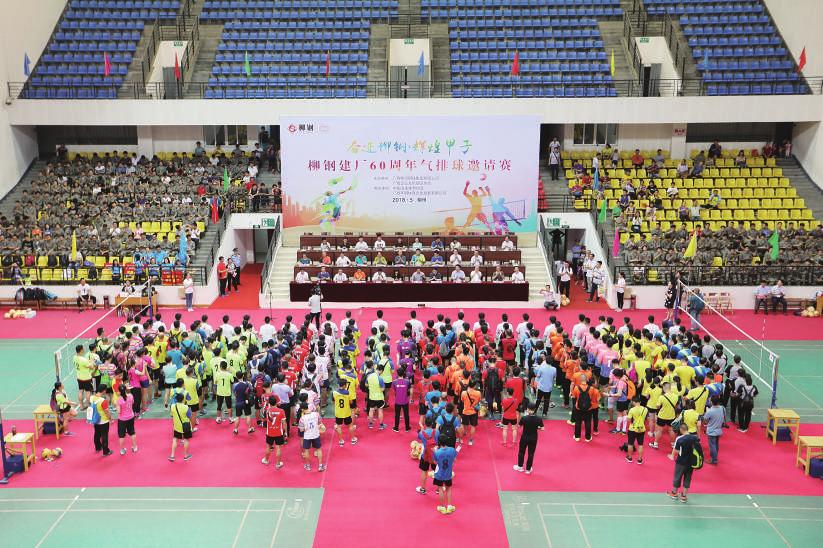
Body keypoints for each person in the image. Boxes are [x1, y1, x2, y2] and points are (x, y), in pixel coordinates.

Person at [668, 423, 701, 503]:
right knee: (687, 478)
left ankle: (674, 493)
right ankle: (684, 496)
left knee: (677, 477)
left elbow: (676, 451)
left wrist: (671, 456)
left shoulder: (680, 439)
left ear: (681, 430)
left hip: (681, 462)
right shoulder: (694, 438)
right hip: (691, 462)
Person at [514, 402, 544, 474]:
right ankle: (528, 469)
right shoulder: (538, 419)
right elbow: (542, 428)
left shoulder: (524, 418)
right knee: (531, 454)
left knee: (521, 452)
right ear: (535, 409)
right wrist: (537, 427)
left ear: (527, 409)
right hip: (533, 438)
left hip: (524, 437)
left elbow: (519, 426)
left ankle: (520, 467)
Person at [298, 402, 325, 471]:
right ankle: (320, 466)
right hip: (316, 434)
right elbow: (320, 422)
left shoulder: (302, 418)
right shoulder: (316, 414)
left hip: (307, 436)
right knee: (319, 449)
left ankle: (308, 466)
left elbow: (301, 430)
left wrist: (306, 428)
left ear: (302, 409)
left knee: (306, 450)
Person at [433, 439, 458, 514]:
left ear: (439, 443)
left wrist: (435, 451)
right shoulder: (452, 450)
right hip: (448, 474)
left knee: (440, 489)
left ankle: (442, 507)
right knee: (449, 489)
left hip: (439, 474)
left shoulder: (437, 452)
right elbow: (454, 459)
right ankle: (449, 506)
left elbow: (435, 462)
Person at [262, 395, 286, 469]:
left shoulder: (267, 411)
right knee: (278, 448)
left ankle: (266, 460)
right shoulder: (281, 411)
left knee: (268, 446)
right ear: (276, 402)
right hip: (279, 432)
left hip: (269, 432)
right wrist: (285, 432)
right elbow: (284, 423)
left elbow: (264, 420)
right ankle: (278, 464)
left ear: (269, 403)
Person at [571, 377, 599, 442]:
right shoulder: (591, 388)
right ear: (586, 380)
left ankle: (577, 437)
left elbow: (574, 397)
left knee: (578, 422)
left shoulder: (576, 388)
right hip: (589, 408)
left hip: (578, 408)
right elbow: (594, 399)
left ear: (580, 380)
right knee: (588, 422)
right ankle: (588, 438)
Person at [417, 417, 439, 495]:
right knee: (437, 471)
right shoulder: (437, 432)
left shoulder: (421, 433)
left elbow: (419, 439)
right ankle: (438, 489)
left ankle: (423, 489)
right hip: (435, 454)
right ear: (432, 423)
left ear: (425, 424)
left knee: (424, 471)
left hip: (425, 455)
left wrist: (422, 429)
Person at [169, 392, 193, 461]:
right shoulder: (186, 407)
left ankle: (172, 455)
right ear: (183, 399)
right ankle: (186, 455)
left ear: (176, 399)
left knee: (175, 439)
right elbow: (190, 416)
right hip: (186, 426)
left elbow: (171, 415)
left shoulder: (172, 406)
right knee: (186, 439)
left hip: (177, 426)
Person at [333, 380, 357, 446]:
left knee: (339, 426)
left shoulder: (334, 393)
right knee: (350, 425)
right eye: (346, 384)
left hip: (338, 413)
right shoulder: (347, 392)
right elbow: (351, 402)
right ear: (344, 385)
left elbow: (334, 402)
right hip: (346, 412)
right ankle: (353, 439)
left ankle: (341, 441)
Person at [115, 384, 138, 455]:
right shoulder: (130, 396)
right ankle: (135, 447)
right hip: (131, 417)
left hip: (122, 419)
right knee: (132, 432)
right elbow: (132, 403)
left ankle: (122, 450)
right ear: (126, 389)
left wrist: (116, 406)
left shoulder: (119, 400)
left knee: (121, 435)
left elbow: (119, 411)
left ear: (119, 391)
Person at [90, 384, 112, 456]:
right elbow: (107, 412)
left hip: (95, 420)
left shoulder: (92, 398)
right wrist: (110, 419)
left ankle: (98, 447)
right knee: (104, 435)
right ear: (104, 391)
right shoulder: (103, 401)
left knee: (97, 434)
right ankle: (106, 451)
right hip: (103, 421)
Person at [702, 396, 725, 464]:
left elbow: (705, 421)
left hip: (711, 431)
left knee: (712, 446)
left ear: (711, 402)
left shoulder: (710, 411)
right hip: (719, 430)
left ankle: (714, 460)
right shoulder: (722, 408)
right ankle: (715, 457)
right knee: (716, 445)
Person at [625, 397, 647, 464]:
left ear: (633, 402)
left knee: (630, 443)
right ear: (640, 402)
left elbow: (628, 420)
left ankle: (630, 458)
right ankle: (639, 460)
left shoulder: (632, 410)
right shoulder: (645, 409)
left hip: (632, 429)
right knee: (640, 444)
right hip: (642, 428)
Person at [393, 366, 411, 432]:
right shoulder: (407, 381)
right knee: (406, 414)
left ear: (397, 373)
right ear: (403, 373)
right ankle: (407, 428)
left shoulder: (394, 382)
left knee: (397, 414)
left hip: (397, 401)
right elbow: (408, 389)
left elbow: (395, 390)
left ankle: (396, 428)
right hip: (405, 401)